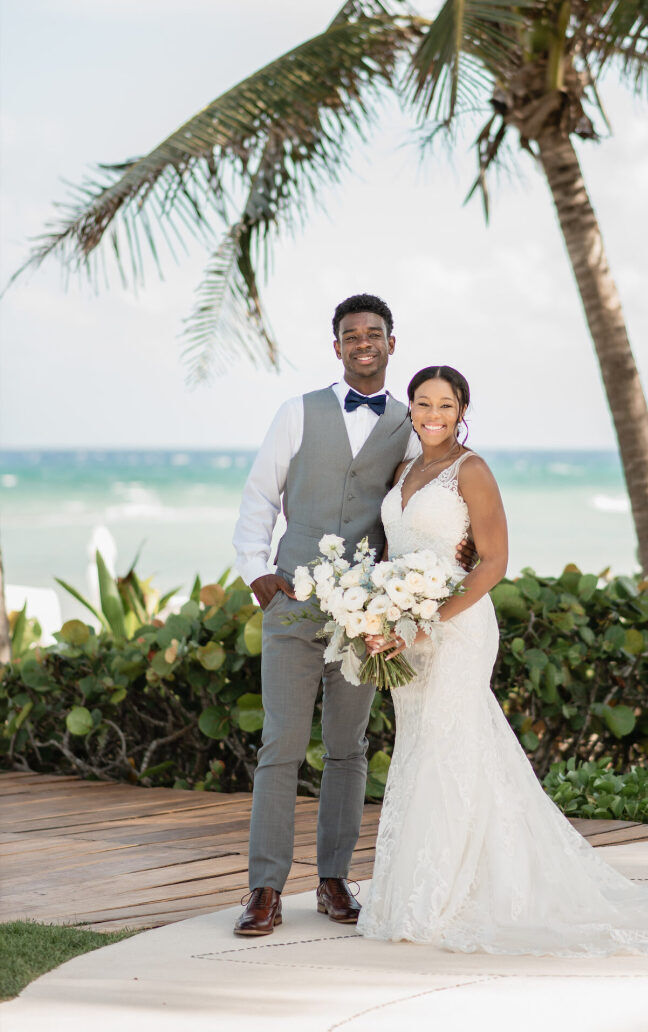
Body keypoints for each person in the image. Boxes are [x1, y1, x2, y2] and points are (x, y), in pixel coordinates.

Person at [359, 365, 648, 956]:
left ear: (462, 411)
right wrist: (380, 613)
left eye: (446, 405)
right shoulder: (405, 468)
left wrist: (426, 620)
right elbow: (397, 548)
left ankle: (446, 896)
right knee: (425, 747)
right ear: (410, 407)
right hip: (406, 630)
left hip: (453, 629)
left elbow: (493, 562)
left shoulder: (471, 470)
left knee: (448, 746)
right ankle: (420, 888)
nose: (433, 415)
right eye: (423, 403)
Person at [231, 294, 412, 935]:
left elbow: (411, 515)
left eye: (374, 333)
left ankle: (334, 879)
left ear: (392, 342)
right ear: (336, 346)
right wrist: (258, 574)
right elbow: (260, 494)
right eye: (351, 334)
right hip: (292, 604)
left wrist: (403, 600)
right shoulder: (297, 412)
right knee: (279, 745)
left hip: (363, 613)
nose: (363, 342)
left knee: (347, 748)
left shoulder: (409, 425)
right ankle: (265, 889)